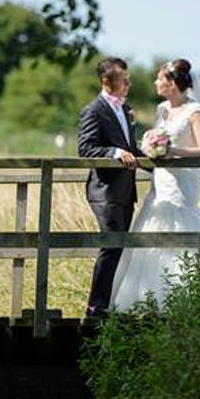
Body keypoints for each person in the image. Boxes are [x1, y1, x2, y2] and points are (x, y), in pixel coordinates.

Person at [110, 58, 200, 311]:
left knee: (181, 226)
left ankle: (187, 300)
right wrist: (150, 146)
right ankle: (147, 304)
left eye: (161, 78)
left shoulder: (193, 110)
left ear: (173, 83)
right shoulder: (162, 110)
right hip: (160, 181)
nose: (156, 82)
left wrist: (173, 150)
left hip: (182, 181)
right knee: (152, 229)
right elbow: (154, 139)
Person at [77, 56, 142, 318]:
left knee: (120, 246)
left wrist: (161, 162)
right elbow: (86, 149)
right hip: (104, 191)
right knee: (111, 244)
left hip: (126, 191)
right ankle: (96, 307)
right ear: (106, 81)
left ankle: (110, 304)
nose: (128, 84)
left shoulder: (125, 111)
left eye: (128, 79)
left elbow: (132, 150)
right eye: (123, 80)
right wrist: (114, 151)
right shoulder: (93, 111)